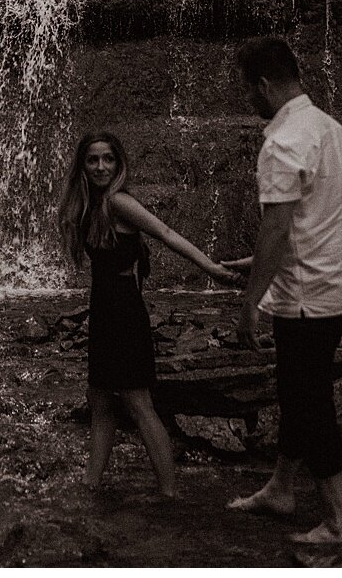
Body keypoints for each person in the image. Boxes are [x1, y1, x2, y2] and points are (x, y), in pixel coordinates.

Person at [223, 37, 342, 546]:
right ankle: (282, 488)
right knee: (295, 388)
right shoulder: (330, 128)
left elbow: (277, 229)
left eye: (247, 91)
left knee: (309, 401)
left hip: (308, 296)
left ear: (263, 85)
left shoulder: (282, 141)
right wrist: (260, 262)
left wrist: (248, 305)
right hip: (341, 284)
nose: (248, 102)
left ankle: (338, 524)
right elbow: (319, 213)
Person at [59, 130, 240, 499]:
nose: (100, 166)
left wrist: (212, 270)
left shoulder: (119, 202)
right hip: (104, 312)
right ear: (82, 165)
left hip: (124, 314)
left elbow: (167, 233)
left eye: (108, 158)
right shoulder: (88, 206)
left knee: (138, 403)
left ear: (119, 162)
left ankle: (170, 493)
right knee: (101, 400)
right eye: (92, 159)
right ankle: (91, 484)